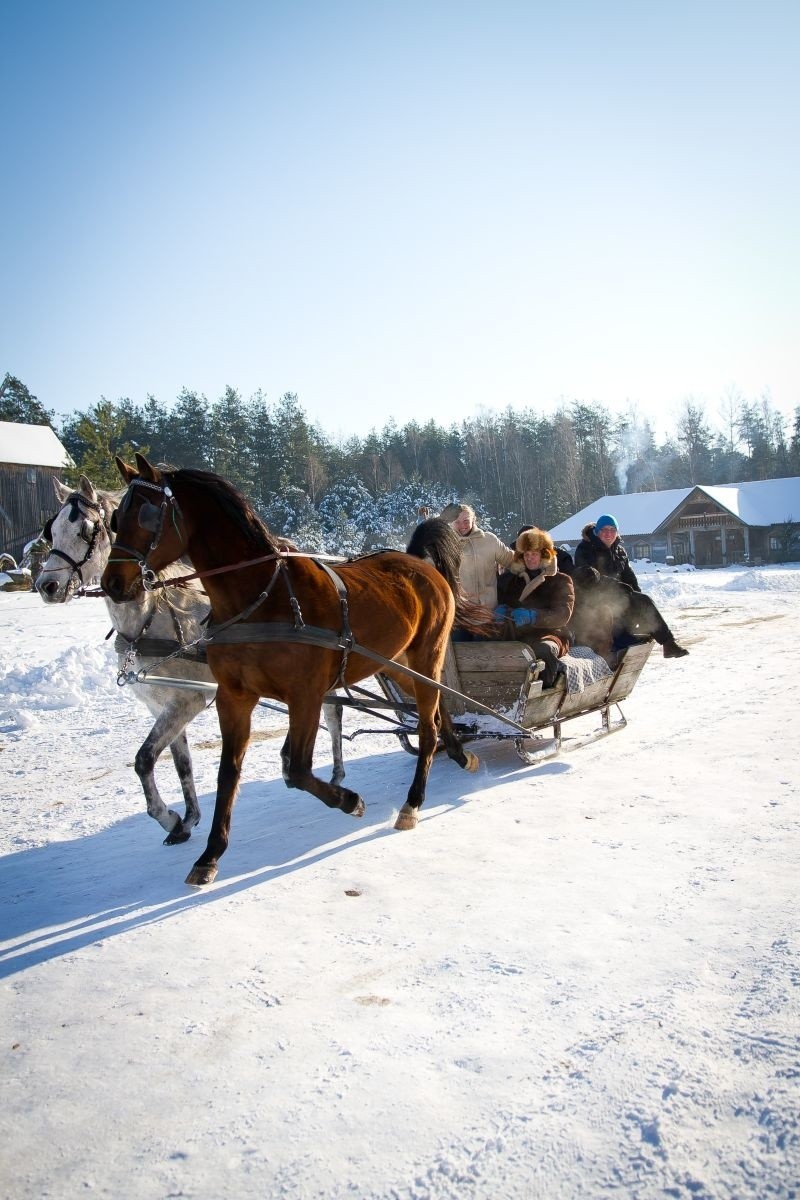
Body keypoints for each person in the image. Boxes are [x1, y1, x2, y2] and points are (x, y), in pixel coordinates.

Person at [571, 511, 689, 660]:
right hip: (592, 600)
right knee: (618, 610)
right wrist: (619, 587)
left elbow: (630, 579)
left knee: (643, 601)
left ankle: (668, 644)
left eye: (612, 530)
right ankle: (662, 643)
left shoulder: (619, 551)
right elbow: (588, 577)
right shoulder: (585, 549)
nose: (608, 534)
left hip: (617, 598)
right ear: (597, 531)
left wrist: (636, 599)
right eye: (604, 530)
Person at [494, 527, 575, 687]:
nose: (530, 559)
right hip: (518, 634)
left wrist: (534, 616)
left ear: (544, 555)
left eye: (534, 554)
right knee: (485, 642)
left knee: (543, 651)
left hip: (551, 633)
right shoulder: (512, 579)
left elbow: (562, 614)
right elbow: (504, 601)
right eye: (526, 554)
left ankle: (544, 694)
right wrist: (501, 610)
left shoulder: (561, 580)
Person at [440, 503, 514, 608]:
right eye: (457, 522)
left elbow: (512, 560)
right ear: (451, 523)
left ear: (473, 520)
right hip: (461, 613)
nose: (462, 526)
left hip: (489, 611)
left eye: (466, 521)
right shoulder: (445, 546)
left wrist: (542, 563)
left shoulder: (489, 540)